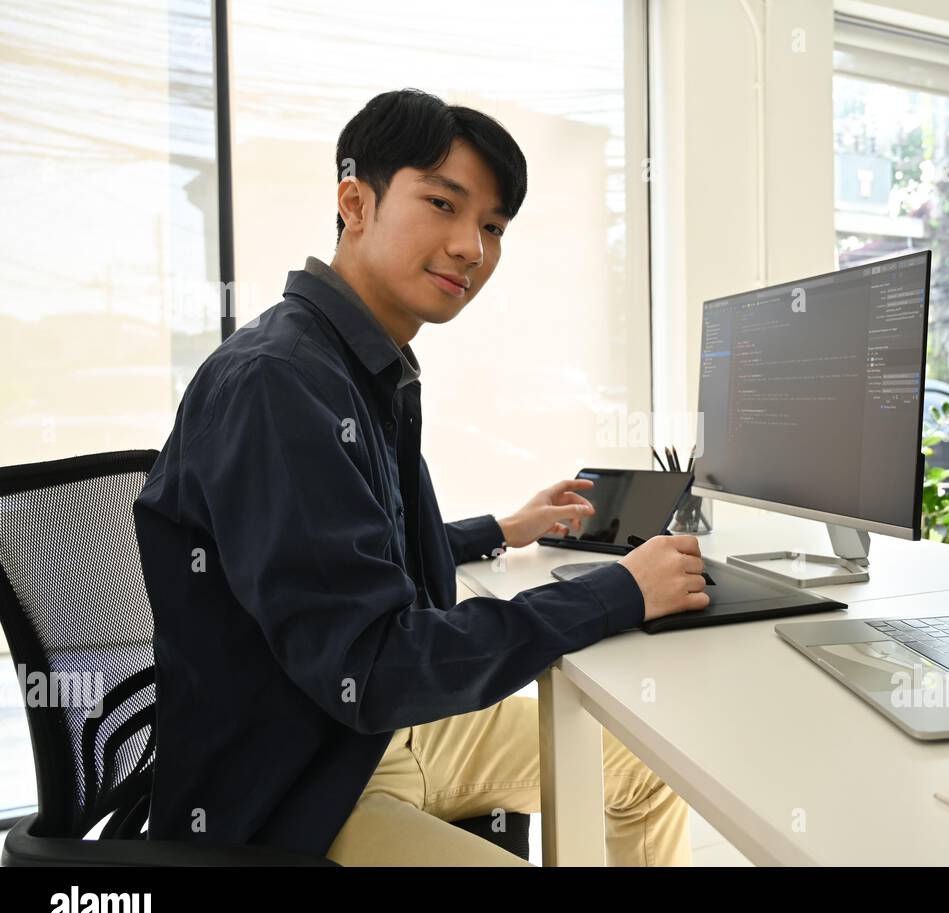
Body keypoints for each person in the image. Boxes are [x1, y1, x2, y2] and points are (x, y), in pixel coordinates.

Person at [133, 88, 710, 866]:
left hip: (365, 736)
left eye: (493, 227)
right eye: (443, 203)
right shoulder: (280, 383)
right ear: (354, 202)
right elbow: (375, 665)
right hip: (297, 787)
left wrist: (502, 530)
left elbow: (347, 553)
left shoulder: (354, 363)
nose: (472, 247)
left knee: (647, 766)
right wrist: (620, 591)